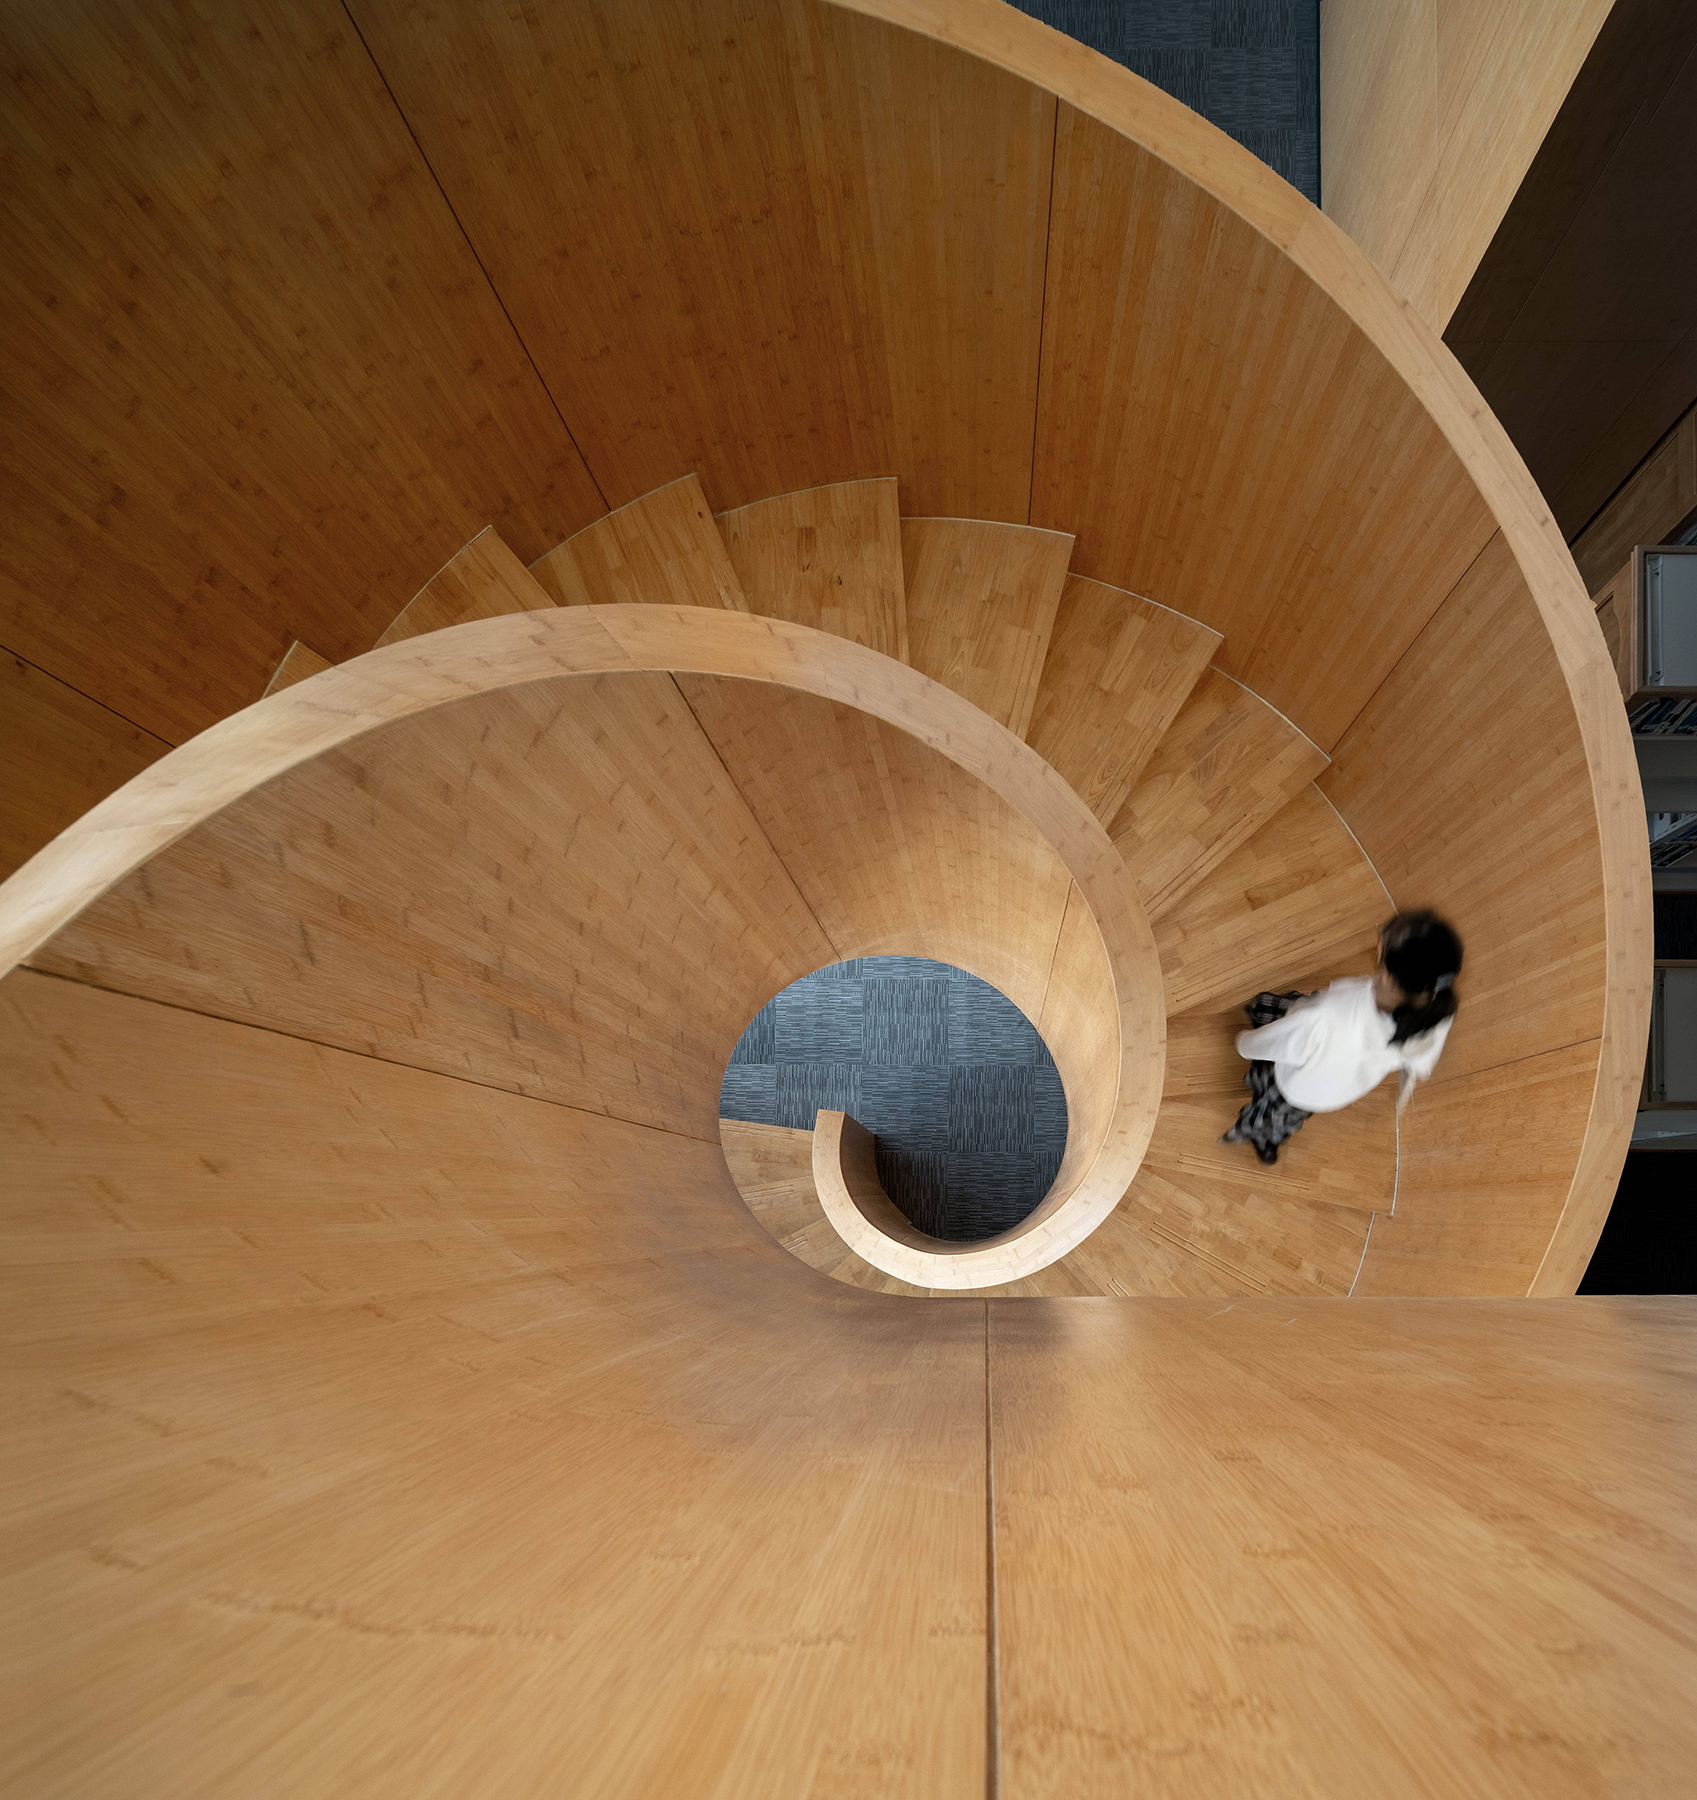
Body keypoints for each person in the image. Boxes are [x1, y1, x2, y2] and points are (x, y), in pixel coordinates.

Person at [1220, 911, 1463, 1166]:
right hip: (1330, 1087)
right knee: (1286, 1113)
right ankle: (1267, 1136)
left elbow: (1270, 1044)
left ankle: (1263, 1140)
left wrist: (1244, 1043)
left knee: (1271, 1109)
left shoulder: (1326, 1017)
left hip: (1298, 1082)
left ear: (1387, 966)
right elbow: (1418, 1063)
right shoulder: (1437, 1013)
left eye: (1382, 937)